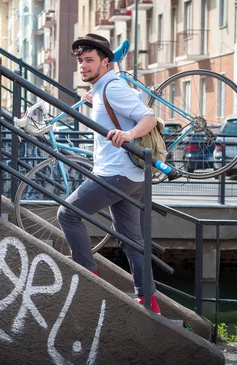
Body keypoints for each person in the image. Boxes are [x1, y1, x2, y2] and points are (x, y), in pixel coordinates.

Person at [56, 33, 161, 314]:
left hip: (116, 174)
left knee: (67, 213)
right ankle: (148, 301)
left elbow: (148, 118)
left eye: (89, 60)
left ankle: (88, 275)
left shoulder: (113, 87)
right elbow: (113, 113)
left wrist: (128, 135)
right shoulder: (103, 89)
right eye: (80, 60)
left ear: (106, 61)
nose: (83, 65)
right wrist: (94, 100)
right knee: (131, 240)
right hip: (130, 176)